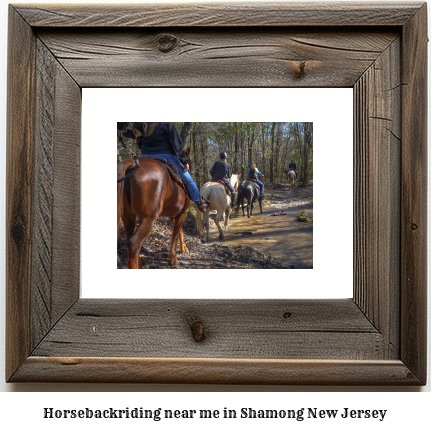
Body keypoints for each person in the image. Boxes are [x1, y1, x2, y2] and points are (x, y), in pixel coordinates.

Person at [137, 122, 209, 212]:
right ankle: (199, 203)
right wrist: (184, 160)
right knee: (189, 180)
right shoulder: (167, 124)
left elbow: (139, 141)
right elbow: (177, 144)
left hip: (145, 156)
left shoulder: (143, 124)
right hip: (165, 155)